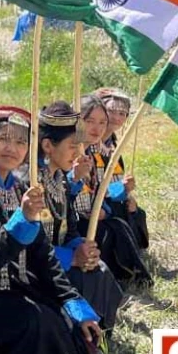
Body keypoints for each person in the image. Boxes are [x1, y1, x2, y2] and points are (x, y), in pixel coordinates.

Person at [0, 106, 101, 354]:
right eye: (3, 139)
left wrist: (71, 300)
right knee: (34, 322)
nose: (11, 148)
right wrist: (21, 219)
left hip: (18, 284)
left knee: (63, 320)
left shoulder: (21, 185)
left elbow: (42, 252)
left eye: (21, 142)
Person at [37, 102, 123, 334]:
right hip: (40, 266)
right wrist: (71, 257)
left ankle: (98, 333)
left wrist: (81, 246)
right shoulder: (30, 183)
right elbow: (31, 247)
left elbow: (70, 227)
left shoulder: (59, 179)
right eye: (73, 146)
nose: (78, 153)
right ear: (47, 145)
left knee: (99, 268)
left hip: (59, 254)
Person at [71, 96, 151, 285]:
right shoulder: (72, 151)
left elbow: (100, 189)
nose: (96, 128)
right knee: (110, 228)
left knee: (128, 215)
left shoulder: (105, 149)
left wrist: (122, 193)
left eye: (122, 113)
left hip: (97, 209)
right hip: (74, 219)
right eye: (89, 121)